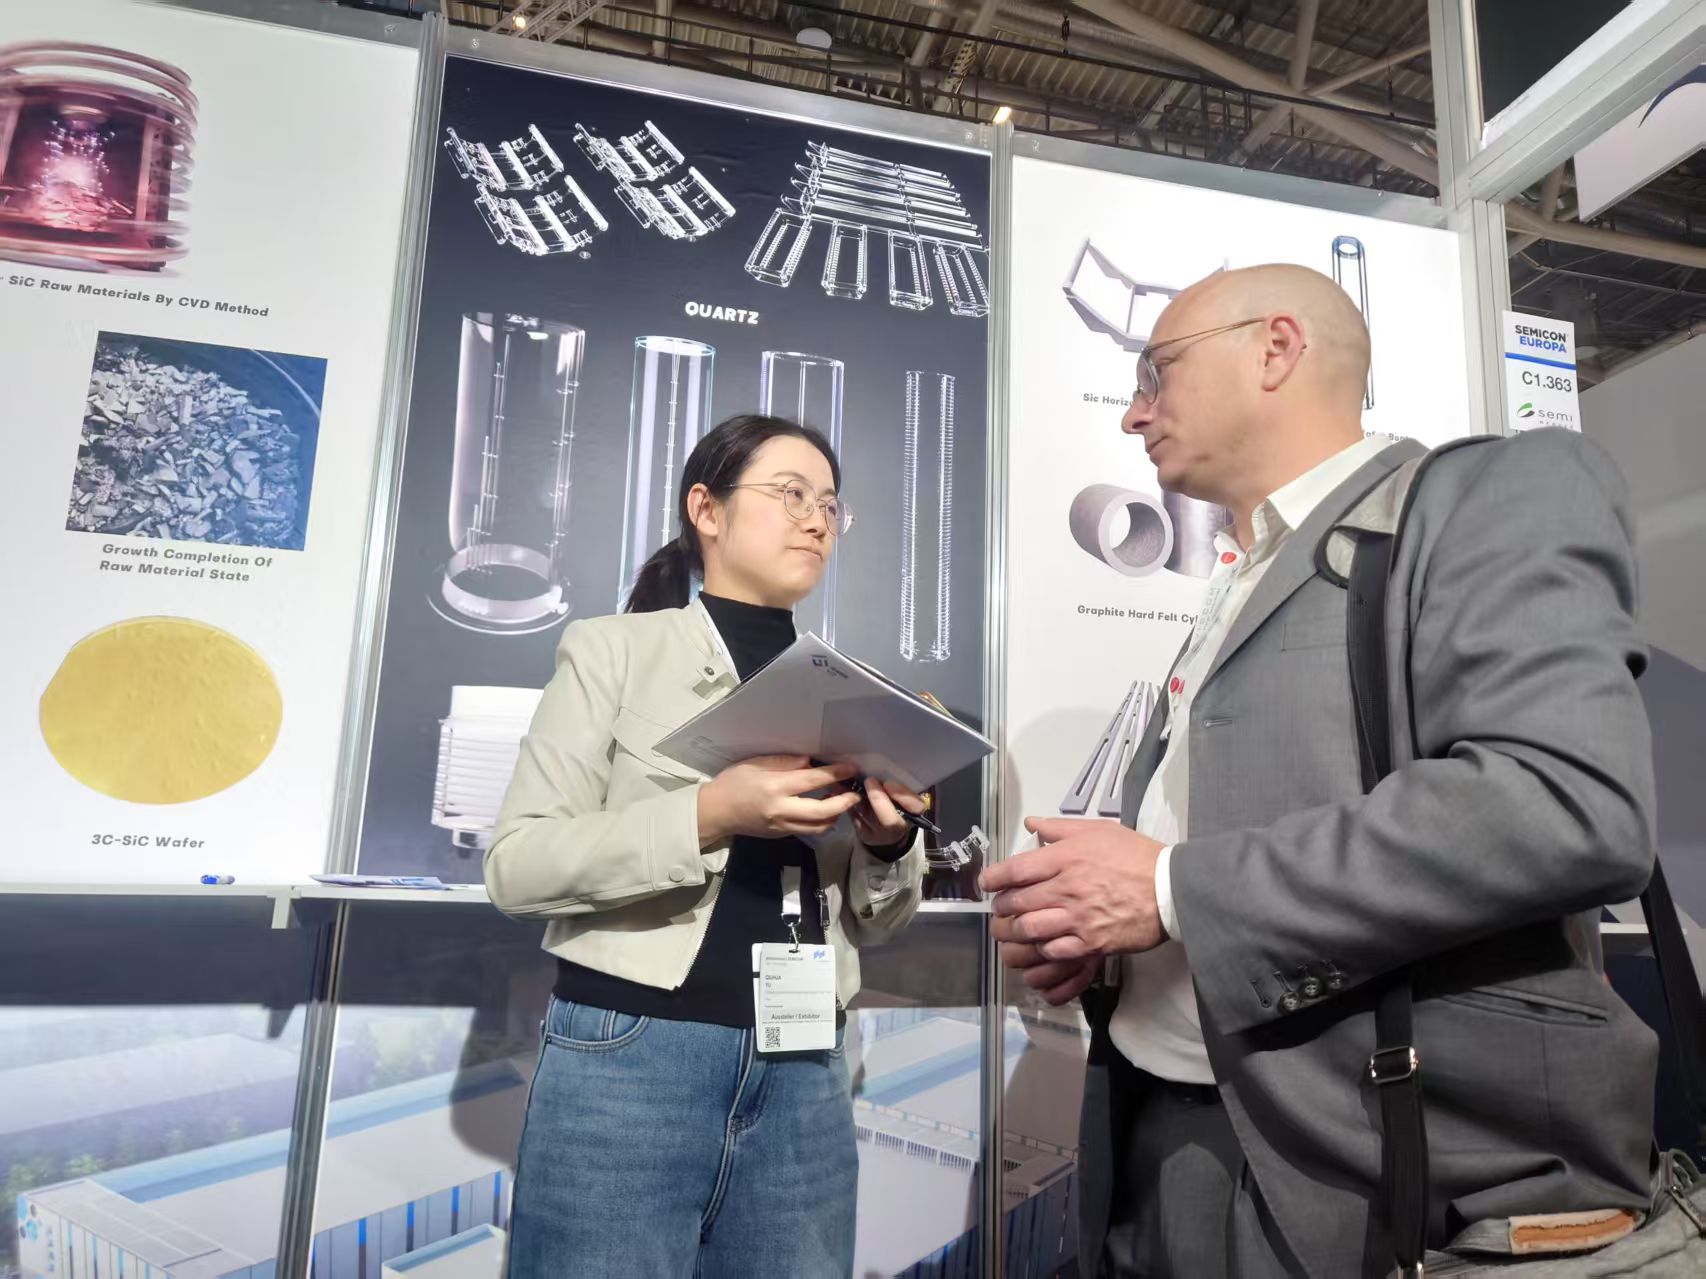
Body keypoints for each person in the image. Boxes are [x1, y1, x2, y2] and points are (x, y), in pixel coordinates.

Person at [984, 264, 1660, 1277]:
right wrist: (1114, 941)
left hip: (1372, 1167)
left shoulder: (1492, 494)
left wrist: (1165, 890)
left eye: (1155, 371)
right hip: (1168, 1144)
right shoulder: (1251, 573)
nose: (1133, 413)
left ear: (1275, 348)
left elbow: (1562, 804)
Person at [488, 413, 928, 1278]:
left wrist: (887, 843)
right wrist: (710, 812)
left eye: (830, 505)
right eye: (791, 493)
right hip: (631, 1053)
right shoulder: (612, 651)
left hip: (805, 1063)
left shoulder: (850, 692)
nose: (816, 520)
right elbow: (517, 866)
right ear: (707, 509)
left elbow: (879, 922)